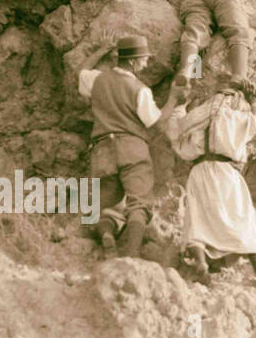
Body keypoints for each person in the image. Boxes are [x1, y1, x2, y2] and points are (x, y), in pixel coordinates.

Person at [164, 77, 256, 294]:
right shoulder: (239, 116)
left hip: (199, 171)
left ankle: (201, 261)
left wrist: (180, 106)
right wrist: (255, 102)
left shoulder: (199, 114)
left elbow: (173, 131)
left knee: (197, 220)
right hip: (227, 172)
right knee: (245, 220)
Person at [78, 35, 183, 258]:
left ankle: (107, 235)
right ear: (133, 61)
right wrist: (173, 98)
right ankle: (131, 255)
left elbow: (82, 71)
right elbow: (157, 123)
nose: (146, 63)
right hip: (132, 148)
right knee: (140, 203)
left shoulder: (97, 79)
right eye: (144, 59)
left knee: (103, 207)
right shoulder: (140, 89)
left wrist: (103, 49)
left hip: (102, 150)